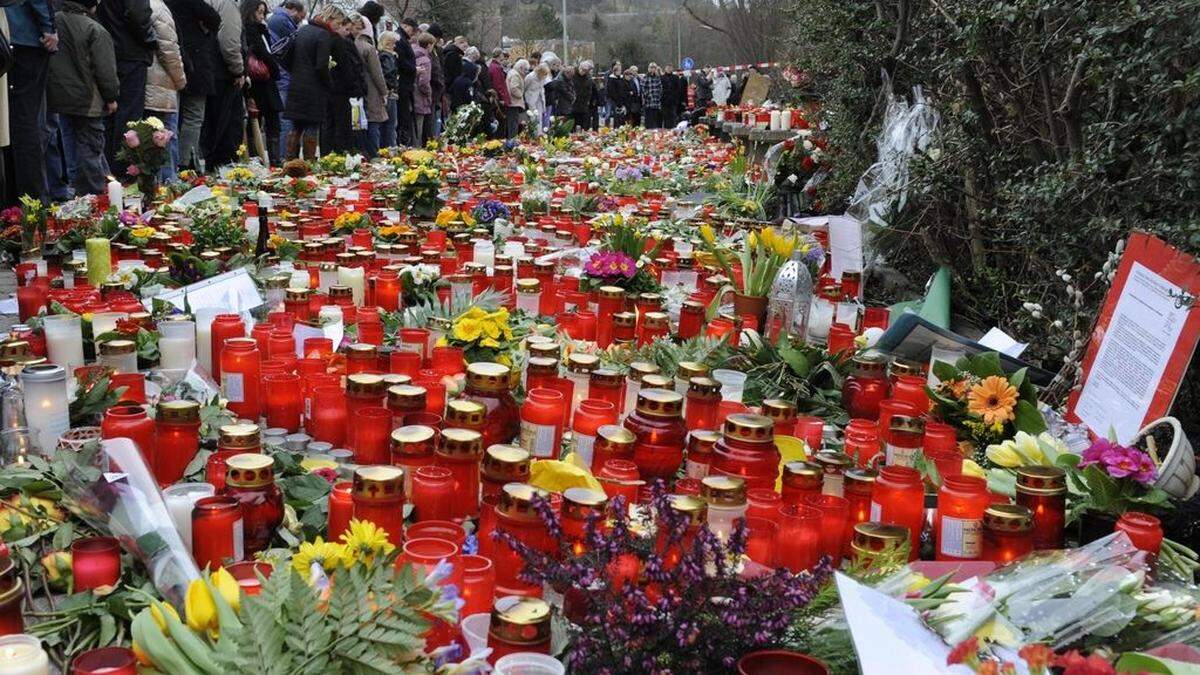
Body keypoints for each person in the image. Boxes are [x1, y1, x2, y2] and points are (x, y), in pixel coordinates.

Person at [46, 0, 117, 196]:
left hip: (60, 99)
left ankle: (76, 193)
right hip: (88, 101)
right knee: (90, 149)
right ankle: (94, 196)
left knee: (70, 149)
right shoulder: (94, 29)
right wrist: (111, 97)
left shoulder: (53, 22)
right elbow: (105, 71)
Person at [97, 0, 157, 172]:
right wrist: (150, 39)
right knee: (129, 118)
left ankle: (109, 171)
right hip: (131, 53)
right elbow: (138, 14)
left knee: (110, 116)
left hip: (110, 51)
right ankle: (125, 169)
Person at [6, 0, 57, 203]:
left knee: (8, 124)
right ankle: (31, 201)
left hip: (8, 33)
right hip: (24, 37)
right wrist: (49, 29)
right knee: (26, 124)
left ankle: (9, 198)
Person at [281, 4, 342, 159]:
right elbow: (321, 66)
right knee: (311, 127)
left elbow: (287, 59)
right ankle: (309, 165)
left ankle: (290, 162)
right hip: (314, 90)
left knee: (296, 127)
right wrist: (329, 84)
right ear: (330, 18)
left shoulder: (302, 30)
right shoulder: (323, 35)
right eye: (338, 22)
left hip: (296, 86)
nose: (339, 26)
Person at [167, 0, 220, 172]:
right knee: (194, 116)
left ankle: (174, 163)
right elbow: (214, 18)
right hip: (196, 65)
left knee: (173, 118)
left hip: (172, 63)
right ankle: (187, 162)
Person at [144, 0, 186, 181]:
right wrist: (181, 80)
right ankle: (169, 189)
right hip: (161, 85)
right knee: (166, 139)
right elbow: (169, 50)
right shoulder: (158, 8)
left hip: (145, 84)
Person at [199, 0, 243, 169]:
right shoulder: (227, 4)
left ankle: (214, 165)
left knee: (211, 125)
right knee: (227, 126)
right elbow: (229, 41)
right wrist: (237, 69)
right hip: (224, 73)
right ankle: (226, 170)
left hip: (208, 68)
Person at [241, 0, 279, 163]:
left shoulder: (262, 30)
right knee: (258, 119)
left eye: (263, 12)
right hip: (258, 79)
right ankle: (260, 158)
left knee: (269, 119)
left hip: (264, 79)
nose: (261, 16)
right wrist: (274, 66)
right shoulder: (251, 31)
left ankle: (270, 157)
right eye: (259, 12)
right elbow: (263, 53)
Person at [267, 0, 304, 150]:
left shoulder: (274, 19)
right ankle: (285, 154)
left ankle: (284, 154)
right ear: (293, 10)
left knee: (283, 118)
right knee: (286, 118)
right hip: (284, 76)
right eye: (300, 17)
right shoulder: (282, 21)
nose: (300, 21)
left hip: (280, 75)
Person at [323, 13, 362, 154]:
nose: (348, 32)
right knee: (340, 123)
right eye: (343, 27)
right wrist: (353, 85)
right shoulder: (338, 41)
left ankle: (329, 153)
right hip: (340, 89)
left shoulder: (325, 38)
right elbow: (347, 67)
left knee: (329, 124)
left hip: (329, 88)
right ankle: (341, 153)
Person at [394, 18, 417, 145]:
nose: (413, 34)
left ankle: (403, 141)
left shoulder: (402, 39)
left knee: (405, 115)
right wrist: (414, 69)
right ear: (406, 26)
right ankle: (402, 142)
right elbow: (402, 61)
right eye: (412, 30)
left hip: (406, 83)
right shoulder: (400, 39)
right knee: (403, 115)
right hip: (403, 83)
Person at [377, 30, 399, 149]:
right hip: (390, 93)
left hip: (386, 92)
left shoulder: (381, 55)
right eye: (393, 43)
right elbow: (390, 73)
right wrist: (393, 87)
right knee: (390, 124)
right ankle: (390, 148)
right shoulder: (387, 56)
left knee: (385, 124)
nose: (395, 46)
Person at [409, 31, 432, 146]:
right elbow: (424, 82)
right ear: (429, 45)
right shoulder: (426, 60)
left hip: (411, 94)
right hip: (420, 98)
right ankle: (417, 152)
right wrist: (429, 93)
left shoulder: (412, 55)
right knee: (418, 127)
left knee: (411, 127)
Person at [425, 25, 444, 137]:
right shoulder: (430, 53)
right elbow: (435, 71)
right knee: (430, 119)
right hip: (432, 88)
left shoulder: (437, 51)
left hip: (437, 89)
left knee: (435, 118)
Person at [502, 58, 526, 139]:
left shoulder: (512, 72)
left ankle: (512, 140)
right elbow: (514, 88)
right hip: (514, 102)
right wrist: (520, 95)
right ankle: (513, 140)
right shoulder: (515, 74)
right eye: (525, 69)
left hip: (512, 101)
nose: (525, 71)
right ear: (521, 67)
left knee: (513, 122)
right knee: (513, 123)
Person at [522, 61, 546, 136]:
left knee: (539, 116)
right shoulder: (530, 77)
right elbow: (525, 87)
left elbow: (541, 86)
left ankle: (539, 133)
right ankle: (534, 134)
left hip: (540, 97)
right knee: (533, 117)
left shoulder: (543, 77)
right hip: (531, 98)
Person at [570, 60, 595, 131]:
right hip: (573, 103)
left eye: (584, 71)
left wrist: (587, 101)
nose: (582, 71)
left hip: (583, 104)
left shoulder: (588, 78)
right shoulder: (573, 74)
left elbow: (589, 91)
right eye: (581, 69)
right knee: (572, 124)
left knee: (584, 124)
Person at [641, 62, 662, 128]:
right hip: (648, 103)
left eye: (654, 68)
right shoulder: (646, 77)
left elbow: (660, 88)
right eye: (651, 68)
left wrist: (659, 96)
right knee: (649, 120)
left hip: (657, 102)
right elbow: (643, 88)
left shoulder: (657, 77)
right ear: (649, 69)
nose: (653, 69)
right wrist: (647, 95)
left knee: (656, 120)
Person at [605, 62, 624, 127]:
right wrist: (617, 99)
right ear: (615, 71)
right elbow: (612, 91)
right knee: (609, 114)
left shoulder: (621, 78)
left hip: (620, 100)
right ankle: (607, 127)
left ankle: (619, 127)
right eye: (619, 71)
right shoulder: (611, 78)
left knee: (619, 115)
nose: (620, 72)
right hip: (612, 99)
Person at [661, 64, 680, 128]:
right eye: (668, 68)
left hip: (673, 101)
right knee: (665, 118)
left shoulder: (675, 77)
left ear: (672, 69)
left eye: (670, 68)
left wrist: (676, 99)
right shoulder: (662, 78)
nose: (669, 69)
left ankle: (673, 130)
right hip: (664, 101)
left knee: (673, 117)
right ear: (665, 69)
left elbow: (678, 89)